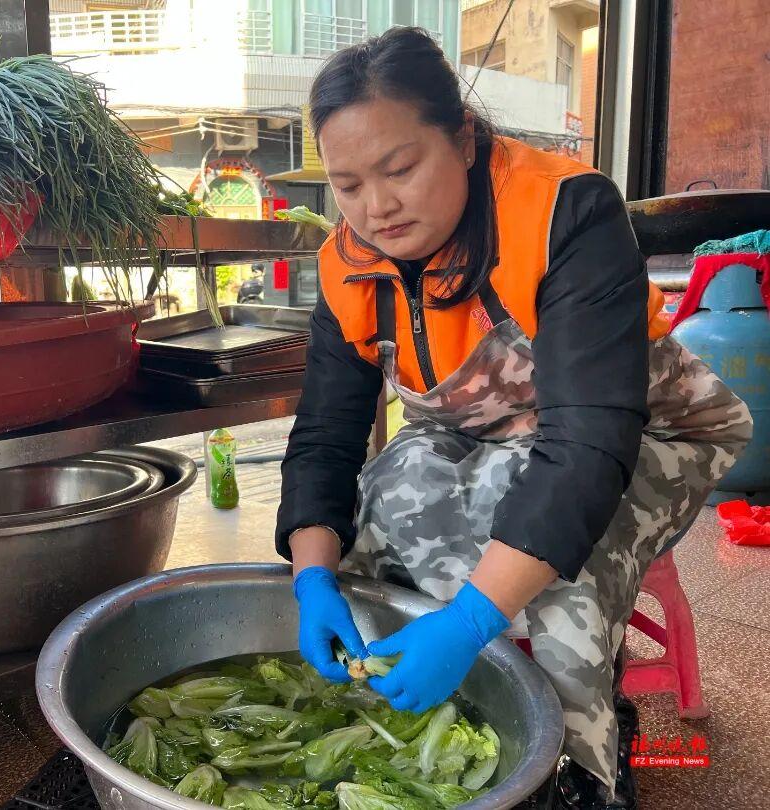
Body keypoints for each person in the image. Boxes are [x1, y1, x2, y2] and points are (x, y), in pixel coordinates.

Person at [275, 26, 751, 810]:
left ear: (462, 138)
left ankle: (581, 768)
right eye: (348, 185)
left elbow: (587, 447)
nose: (376, 207)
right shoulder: (346, 266)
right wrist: (313, 579)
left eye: (400, 169)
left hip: (640, 431)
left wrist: (470, 621)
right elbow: (326, 434)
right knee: (367, 535)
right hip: (476, 427)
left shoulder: (565, 211)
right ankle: (406, 729)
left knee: (558, 582)